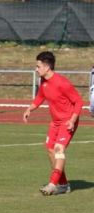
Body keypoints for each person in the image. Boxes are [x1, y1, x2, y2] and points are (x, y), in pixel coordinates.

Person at [22, 51, 82, 196]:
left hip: (67, 122)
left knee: (58, 149)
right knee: (49, 149)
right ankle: (63, 184)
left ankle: (52, 183)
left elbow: (78, 101)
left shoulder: (62, 82)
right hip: (55, 122)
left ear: (47, 67)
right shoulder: (43, 81)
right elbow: (40, 96)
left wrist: (72, 121)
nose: (36, 69)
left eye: (38, 66)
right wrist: (30, 109)